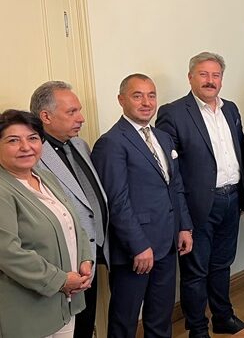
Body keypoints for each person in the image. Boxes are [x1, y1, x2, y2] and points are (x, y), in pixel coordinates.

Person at [92, 74, 193, 338]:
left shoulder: (163, 137)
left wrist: (184, 226)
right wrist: (138, 245)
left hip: (167, 242)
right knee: (124, 321)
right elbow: (117, 200)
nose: (146, 102)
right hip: (135, 250)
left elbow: (175, 186)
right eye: (137, 96)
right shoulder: (111, 143)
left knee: (160, 317)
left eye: (151, 95)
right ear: (121, 100)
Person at [156, 52, 244, 337]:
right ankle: (197, 328)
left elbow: (239, 151)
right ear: (190, 78)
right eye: (204, 74)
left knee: (222, 264)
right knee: (196, 271)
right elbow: (170, 169)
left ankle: (223, 317)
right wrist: (182, 217)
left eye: (216, 75)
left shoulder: (230, 109)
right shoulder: (173, 112)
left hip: (231, 199)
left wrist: (243, 193)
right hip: (198, 206)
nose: (210, 81)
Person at [0, 109, 93, 338]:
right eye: (13, 140)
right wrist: (60, 280)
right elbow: (7, 252)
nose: (26, 147)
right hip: (28, 310)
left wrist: (85, 259)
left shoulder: (46, 178)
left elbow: (73, 221)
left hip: (63, 302)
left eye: (32, 138)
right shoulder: (3, 189)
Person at [31, 81, 109, 338]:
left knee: (85, 323)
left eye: (80, 110)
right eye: (72, 112)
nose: (81, 118)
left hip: (90, 256)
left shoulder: (79, 145)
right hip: (61, 264)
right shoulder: (32, 155)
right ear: (46, 116)